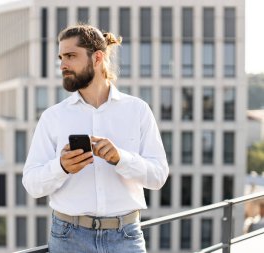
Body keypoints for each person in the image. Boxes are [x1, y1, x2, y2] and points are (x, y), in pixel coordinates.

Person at [22, 24, 169, 253]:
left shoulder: (138, 110)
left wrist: (122, 158)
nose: (63, 65)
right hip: (68, 238)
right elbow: (31, 184)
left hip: (126, 237)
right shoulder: (53, 117)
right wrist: (61, 167)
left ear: (97, 57)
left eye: (71, 56)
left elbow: (159, 176)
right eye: (61, 57)